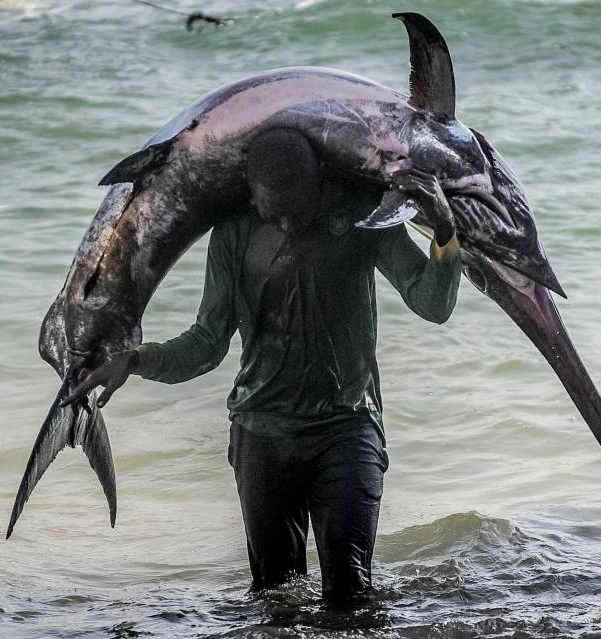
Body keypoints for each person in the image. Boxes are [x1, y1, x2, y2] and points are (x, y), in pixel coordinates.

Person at [62, 127, 461, 604]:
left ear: (318, 181)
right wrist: (136, 359)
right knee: (274, 596)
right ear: (252, 194)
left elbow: (432, 303)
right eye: (276, 213)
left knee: (351, 591)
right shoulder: (233, 233)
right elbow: (207, 343)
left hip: (348, 427)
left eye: (299, 211)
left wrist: (444, 231)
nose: (289, 226)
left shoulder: (360, 213)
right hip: (262, 435)